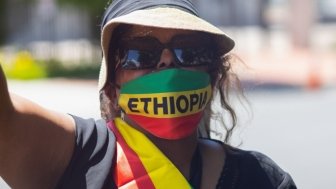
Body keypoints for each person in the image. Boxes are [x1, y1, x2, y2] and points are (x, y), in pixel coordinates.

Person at [0, 0, 297, 188]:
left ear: (213, 73)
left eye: (189, 50)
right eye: (140, 54)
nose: (167, 62)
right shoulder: (75, 154)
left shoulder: (263, 180)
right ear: (112, 85)